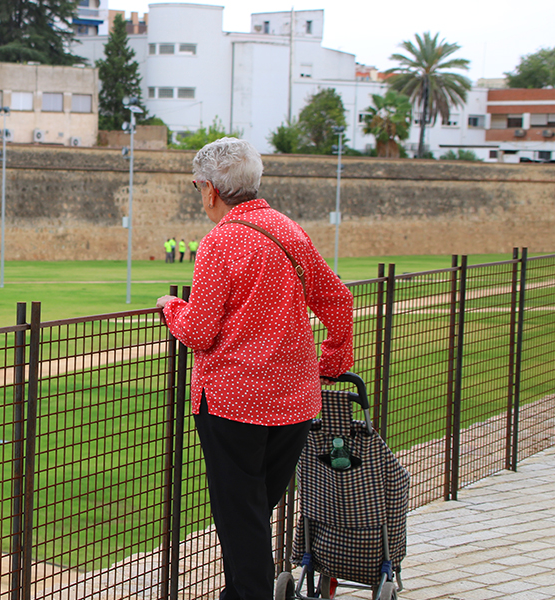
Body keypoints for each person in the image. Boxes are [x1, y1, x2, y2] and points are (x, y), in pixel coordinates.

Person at [155, 138, 353, 600]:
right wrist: (334, 360)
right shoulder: (291, 231)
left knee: (239, 515)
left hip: (232, 403)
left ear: (209, 190)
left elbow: (199, 331)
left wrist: (170, 308)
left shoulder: (219, 242)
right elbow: (337, 299)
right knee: (254, 509)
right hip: (295, 402)